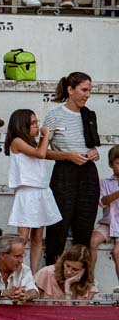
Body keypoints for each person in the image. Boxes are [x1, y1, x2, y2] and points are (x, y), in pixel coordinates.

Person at [42, 72, 102, 266]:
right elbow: (41, 152)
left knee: (84, 228)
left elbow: (91, 145)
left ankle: (80, 279)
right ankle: (51, 274)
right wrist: (67, 155)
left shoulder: (89, 114)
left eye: (90, 90)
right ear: (70, 90)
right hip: (64, 172)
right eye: (84, 90)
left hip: (88, 171)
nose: (88, 94)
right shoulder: (54, 115)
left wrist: (94, 153)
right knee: (58, 226)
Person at [4, 109, 58, 274]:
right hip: (27, 193)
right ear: (23, 125)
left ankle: (34, 274)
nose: (37, 126)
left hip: (40, 191)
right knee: (23, 238)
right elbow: (41, 154)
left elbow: (41, 152)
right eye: (33, 123)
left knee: (37, 238)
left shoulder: (31, 143)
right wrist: (45, 136)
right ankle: (18, 272)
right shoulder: (17, 141)